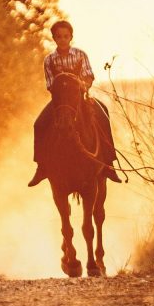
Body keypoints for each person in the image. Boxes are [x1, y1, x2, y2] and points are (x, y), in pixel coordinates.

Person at [28, 19, 122, 187]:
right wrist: (62, 89)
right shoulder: (49, 60)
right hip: (60, 102)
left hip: (80, 98)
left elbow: (89, 76)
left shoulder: (80, 55)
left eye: (66, 36)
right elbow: (50, 84)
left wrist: (82, 85)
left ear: (71, 37)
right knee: (39, 124)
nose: (62, 39)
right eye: (59, 36)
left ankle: (108, 163)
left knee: (103, 114)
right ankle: (41, 167)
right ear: (54, 38)